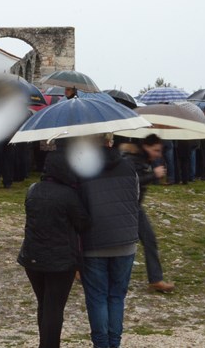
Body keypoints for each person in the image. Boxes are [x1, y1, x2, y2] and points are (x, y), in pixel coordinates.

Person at [17, 147, 90, 348]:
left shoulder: (33, 190)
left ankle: (45, 343)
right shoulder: (68, 194)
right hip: (60, 261)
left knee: (44, 304)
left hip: (32, 257)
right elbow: (83, 223)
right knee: (54, 308)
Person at [78, 133, 139, 348]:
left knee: (97, 297)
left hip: (94, 241)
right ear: (109, 142)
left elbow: (78, 207)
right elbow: (136, 197)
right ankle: (114, 343)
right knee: (116, 297)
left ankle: (102, 344)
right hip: (125, 240)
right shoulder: (129, 167)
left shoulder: (83, 169)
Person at [117, 134, 174, 293]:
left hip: (134, 206)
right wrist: (153, 175)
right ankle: (81, 269)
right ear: (146, 147)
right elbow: (131, 182)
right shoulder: (131, 159)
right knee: (114, 243)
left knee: (149, 240)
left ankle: (155, 279)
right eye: (156, 150)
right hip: (125, 207)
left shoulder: (141, 159)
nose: (158, 154)